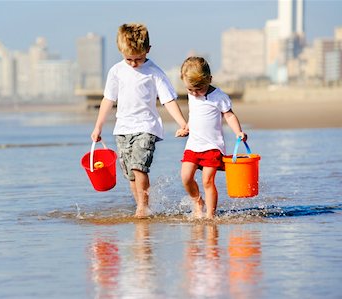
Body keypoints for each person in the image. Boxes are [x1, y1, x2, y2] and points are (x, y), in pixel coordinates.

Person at [91, 23, 188, 218]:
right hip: (122, 129)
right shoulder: (116, 71)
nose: (135, 63)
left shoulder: (154, 72)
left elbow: (168, 99)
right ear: (121, 51)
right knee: (131, 174)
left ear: (148, 50)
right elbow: (108, 99)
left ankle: (142, 208)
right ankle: (142, 206)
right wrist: (98, 126)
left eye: (139, 58)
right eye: (129, 59)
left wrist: (182, 122)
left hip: (146, 127)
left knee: (139, 167)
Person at [177, 56, 247, 219]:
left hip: (212, 146)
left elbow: (229, 116)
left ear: (209, 79)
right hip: (193, 145)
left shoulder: (219, 96)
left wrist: (238, 132)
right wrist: (186, 128)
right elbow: (195, 115)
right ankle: (197, 201)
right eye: (190, 90)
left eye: (199, 89)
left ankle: (210, 215)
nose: (195, 93)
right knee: (186, 177)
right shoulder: (192, 94)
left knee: (207, 181)